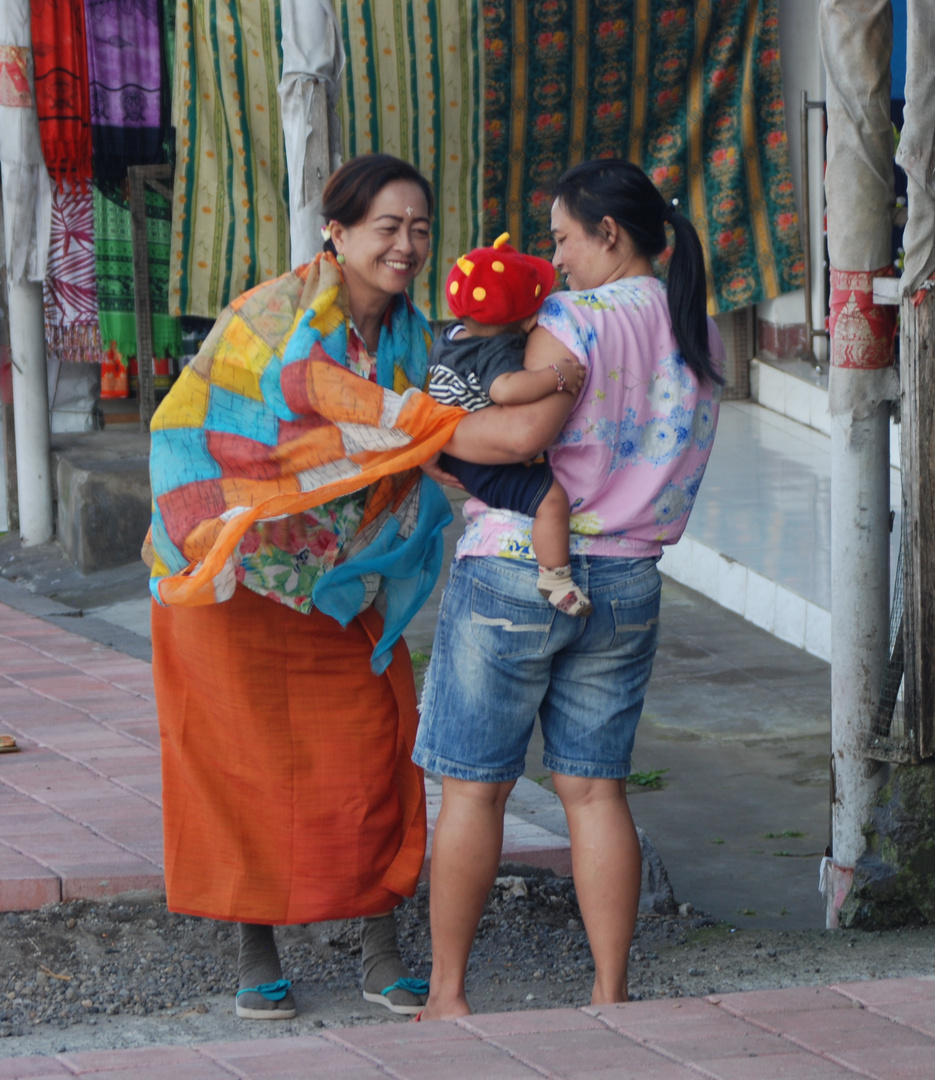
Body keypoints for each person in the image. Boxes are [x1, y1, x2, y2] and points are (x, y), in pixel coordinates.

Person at [146, 154, 466, 1021]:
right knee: (235, 766)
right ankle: (256, 958)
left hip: (344, 582)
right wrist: (388, 427)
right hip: (231, 572)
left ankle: (380, 949)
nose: (405, 246)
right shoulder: (270, 315)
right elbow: (233, 422)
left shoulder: (415, 337)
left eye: (419, 229)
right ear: (338, 231)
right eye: (386, 228)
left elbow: (435, 432)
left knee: (376, 753)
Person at [412, 158, 724, 1017]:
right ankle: (609, 991)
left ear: (609, 235)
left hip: (520, 567)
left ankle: (447, 994)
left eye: (561, 239)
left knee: (476, 788)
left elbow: (520, 440)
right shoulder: (699, 325)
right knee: (594, 791)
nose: (557, 258)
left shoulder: (571, 318)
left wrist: (426, 430)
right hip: (629, 577)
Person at [427, 234, 591, 616]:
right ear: (530, 320)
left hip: (458, 448)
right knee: (551, 501)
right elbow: (504, 389)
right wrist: (557, 377)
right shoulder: (497, 350)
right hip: (483, 458)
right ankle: (555, 578)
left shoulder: (450, 336)